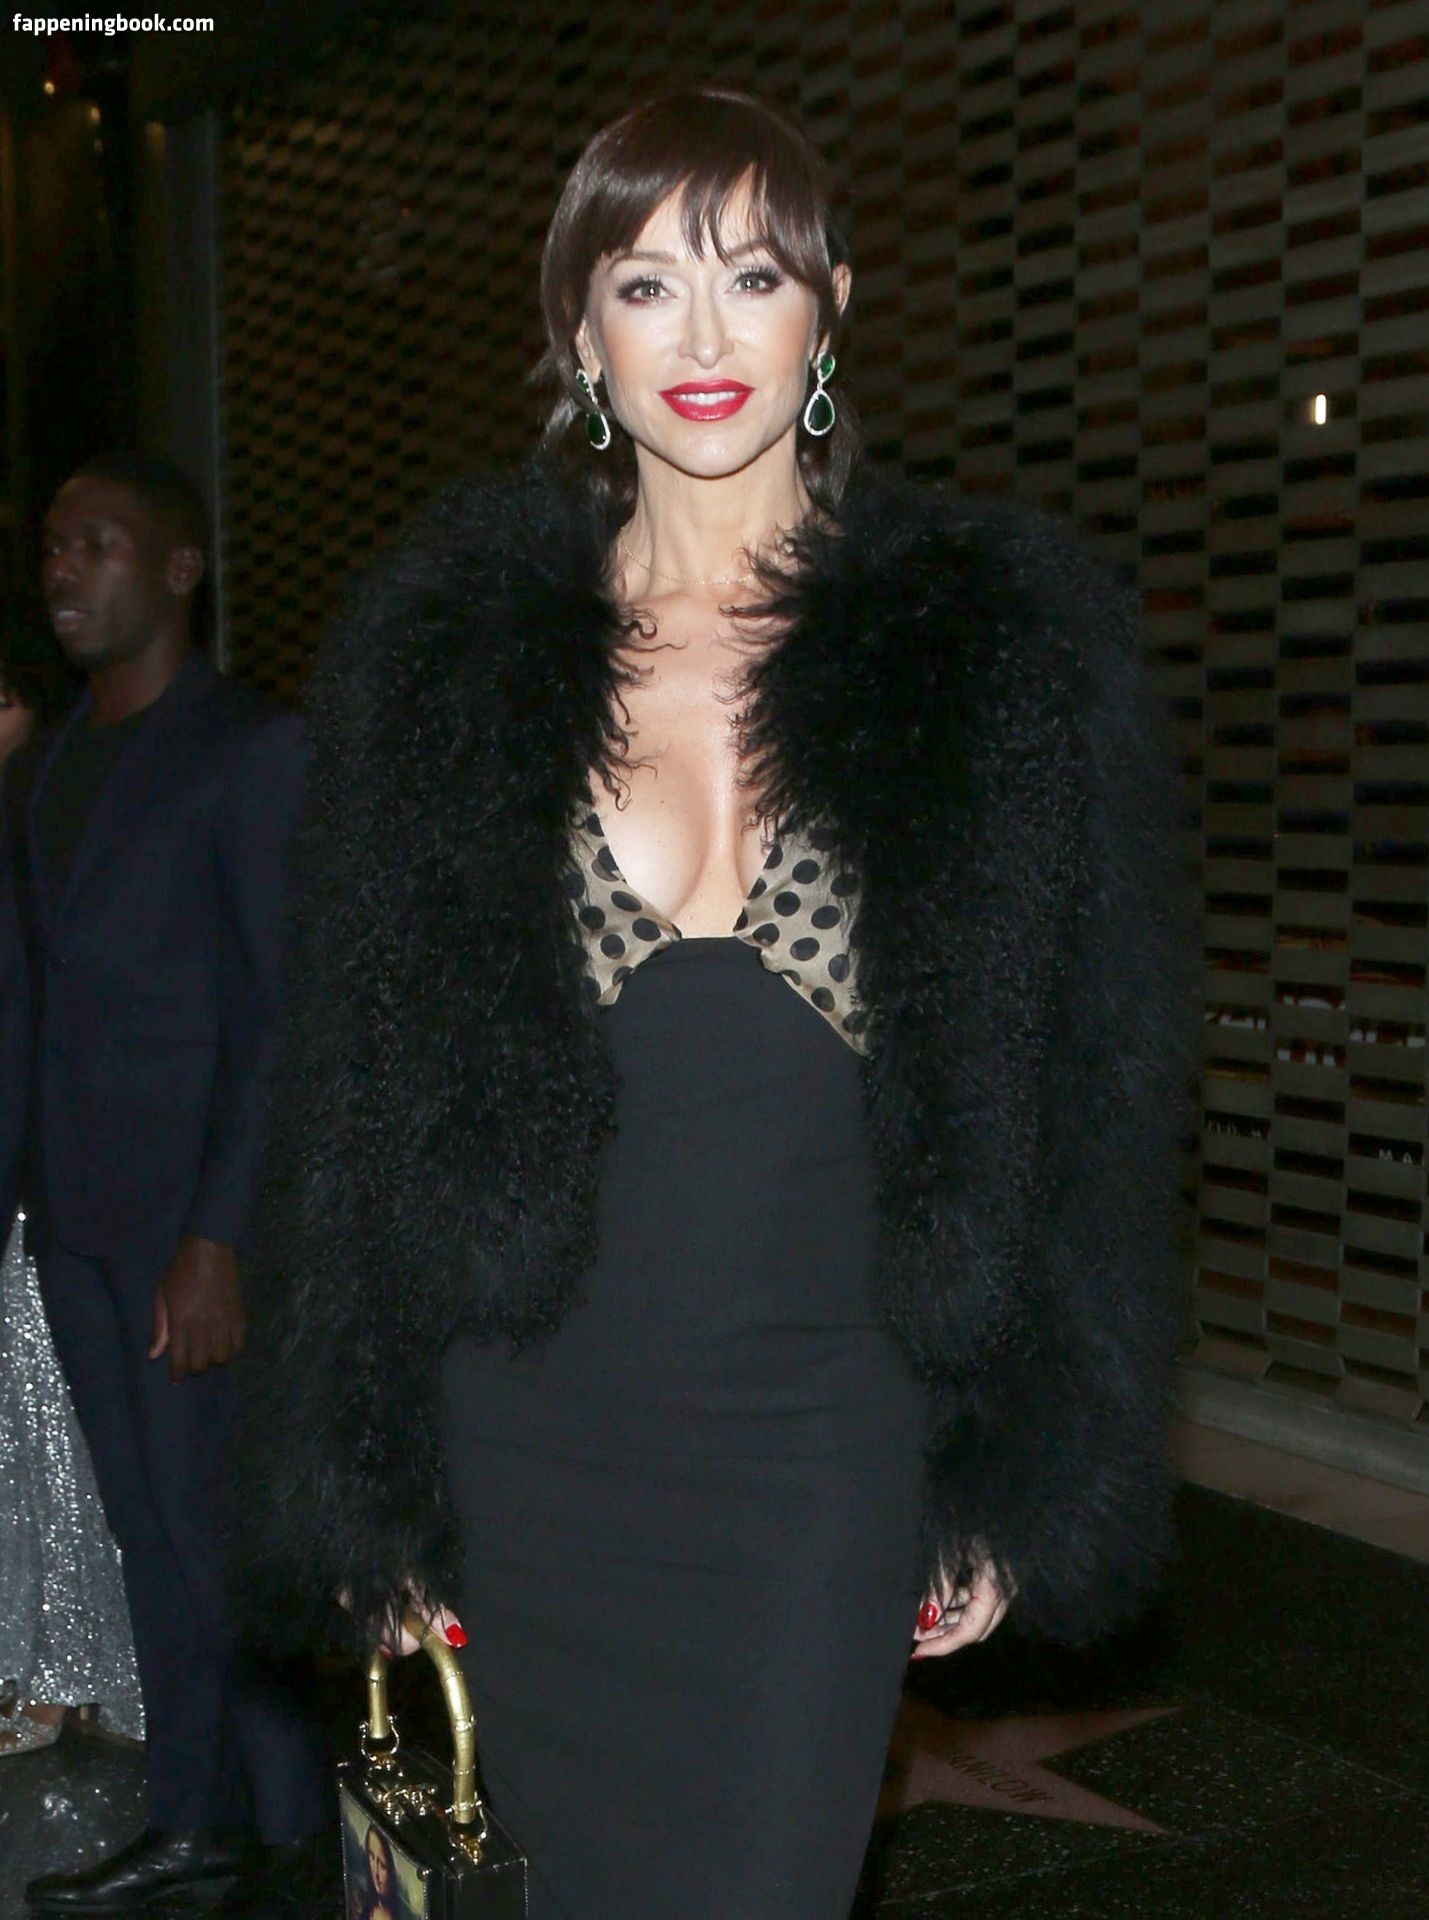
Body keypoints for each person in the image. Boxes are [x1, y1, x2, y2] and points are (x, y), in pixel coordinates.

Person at [240, 88, 1199, 1920]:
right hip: (523, 1434)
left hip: (815, 1446)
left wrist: (1020, 1462)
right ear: (577, 332)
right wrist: (358, 1473)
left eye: (751, 276)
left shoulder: (981, 658)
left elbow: (1087, 1088)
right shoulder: (449, 669)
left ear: (825, 311)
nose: (701, 332)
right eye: (644, 283)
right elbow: (356, 1094)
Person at [3, 456, 331, 1916]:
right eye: (53, 547)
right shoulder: (46, 766)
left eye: (99, 544)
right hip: (76, 1220)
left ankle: (298, 1837)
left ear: (179, 570)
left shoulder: (249, 750)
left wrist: (219, 1236)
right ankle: (198, 1823)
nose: (64, 569)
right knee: (148, 1536)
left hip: (190, 1236)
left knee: (215, 1540)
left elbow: (279, 1014)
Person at [0, 600, 141, 1755]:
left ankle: (75, 1674)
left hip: (59, 1171)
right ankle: (47, 1666)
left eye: (0, 701)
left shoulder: (59, 810)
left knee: (59, 1422)